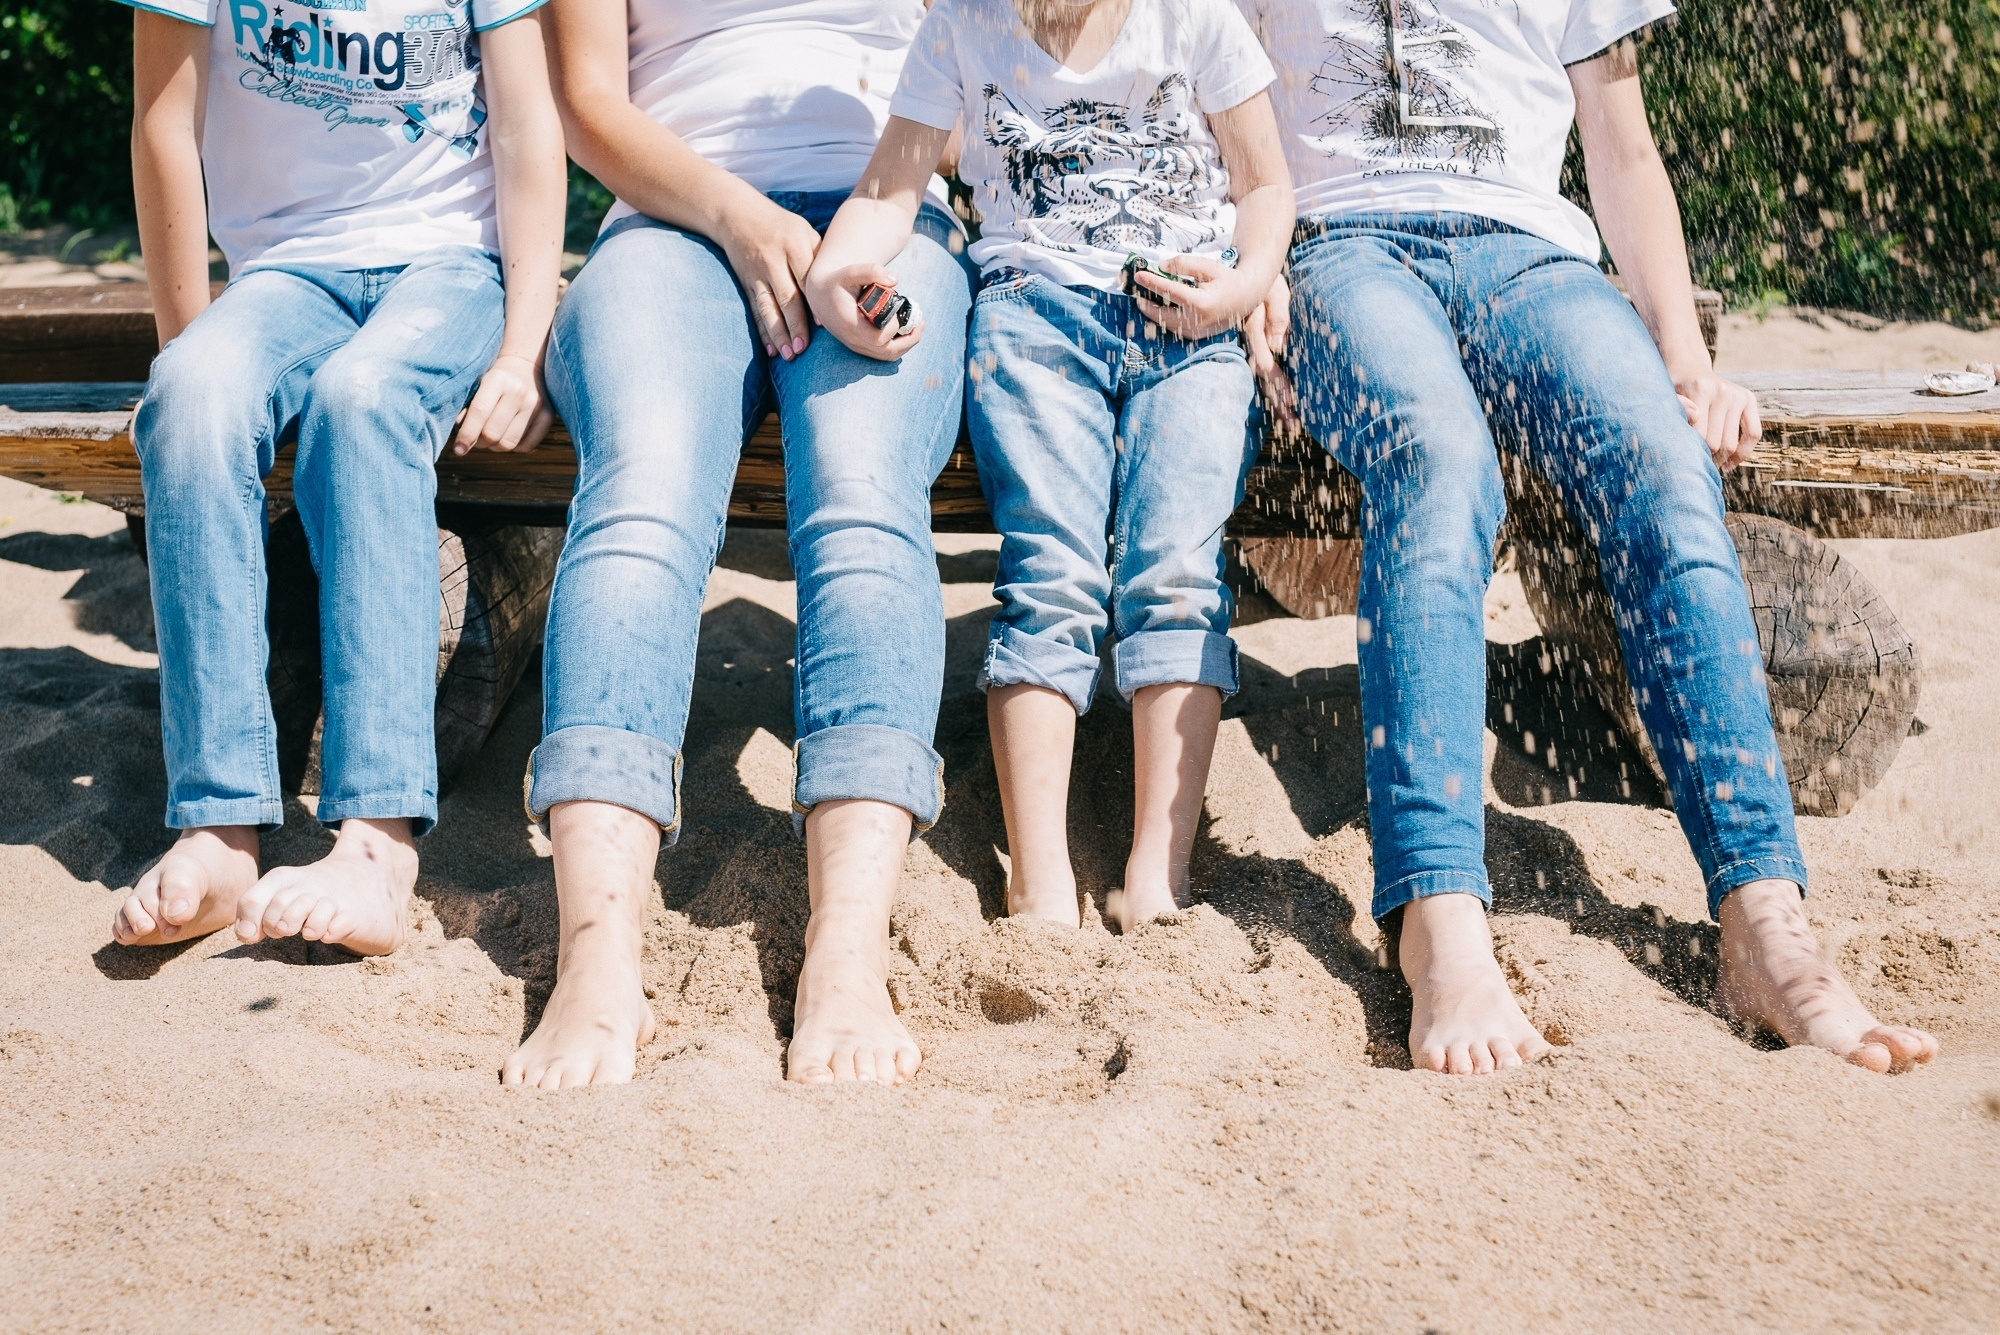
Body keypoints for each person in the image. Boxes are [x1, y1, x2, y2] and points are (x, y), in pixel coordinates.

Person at [1238, 0, 1940, 1075]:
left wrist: (1684, 361)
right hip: (1342, 250)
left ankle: (1762, 918)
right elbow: (1199, 97)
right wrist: (1248, 273)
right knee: (1438, 466)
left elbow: (1620, 149)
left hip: (1532, 261)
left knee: (1665, 474)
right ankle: (1438, 920)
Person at [504, 0, 974, 1089]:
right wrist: (740, 216)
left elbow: (986, 89)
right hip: (670, 224)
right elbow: (587, 103)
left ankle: (847, 950)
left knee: (860, 493)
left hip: (887, 218)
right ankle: (595, 954)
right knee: (645, 491)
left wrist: (858, 222)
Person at [804, 0, 1292, 933]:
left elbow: (1265, 184)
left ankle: (1158, 870)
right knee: (1050, 569)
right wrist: (844, 268)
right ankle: (1038, 872)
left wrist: (1247, 279)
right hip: (1033, 323)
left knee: (1178, 572)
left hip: (1189, 325)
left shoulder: (1193, 16)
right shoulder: (964, 23)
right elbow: (891, 187)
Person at [109, 0, 565, 955]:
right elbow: (162, 118)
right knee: (188, 396)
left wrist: (523, 351)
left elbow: (527, 127)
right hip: (286, 273)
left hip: (453, 265)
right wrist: (192, 349)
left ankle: (377, 838)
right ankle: (222, 820)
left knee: (363, 405)